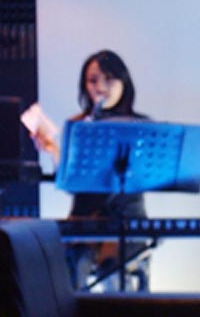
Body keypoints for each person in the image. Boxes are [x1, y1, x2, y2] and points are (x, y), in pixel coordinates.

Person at [32, 49, 148, 291]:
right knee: (74, 264)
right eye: (93, 80)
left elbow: (147, 176)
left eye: (109, 79)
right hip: (85, 220)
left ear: (124, 82)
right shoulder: (79, 124)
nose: (100, 87)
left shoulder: (141, 125)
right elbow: (70, 184)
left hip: (127, 220)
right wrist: (53, 151)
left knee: (113, 270)